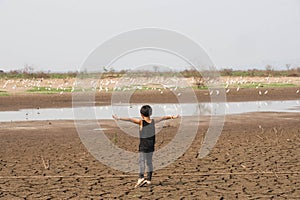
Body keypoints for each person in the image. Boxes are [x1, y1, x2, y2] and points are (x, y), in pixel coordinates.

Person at [112, 105, 179, 188]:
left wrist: (118, 118)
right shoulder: (153, 121)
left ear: (141, 115)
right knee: (149, 162)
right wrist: (172, 116)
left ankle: (141, 178)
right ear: (150, 113)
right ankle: (149, 180)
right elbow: (163, 117)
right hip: (151, 146)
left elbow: (130, 119)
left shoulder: (141, 122)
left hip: (143, 146)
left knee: (141, 162)